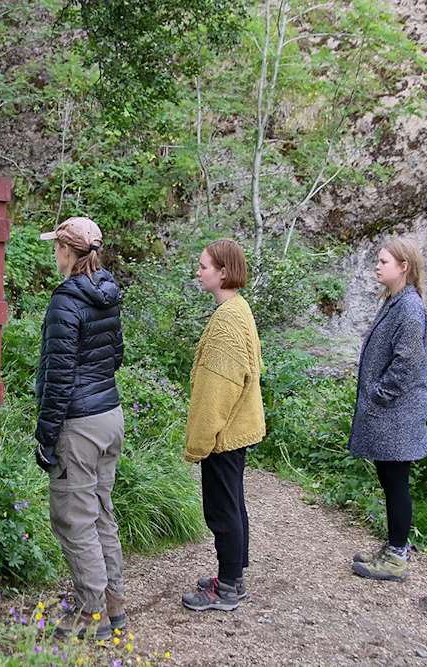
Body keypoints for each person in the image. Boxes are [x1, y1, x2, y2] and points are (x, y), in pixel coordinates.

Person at [34, 216, 126, 640]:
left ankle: (93, 617)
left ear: (68, 253)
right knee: (101, 512)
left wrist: (46, 436)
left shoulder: (65, 301)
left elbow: (58, 377)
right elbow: (116, 356)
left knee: (75, 519)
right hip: (110, 415)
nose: (54, 254)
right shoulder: (108, 293)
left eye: (57, 247)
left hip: (79, 423)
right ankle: (113, 605)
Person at [180, 239, 266, 612]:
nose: (198, 273)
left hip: (224, 434)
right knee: (232, 503)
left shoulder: (227, 322)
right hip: (235, 428)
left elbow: (217, 391)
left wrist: (201, 441)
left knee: (222, 508)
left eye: (203, 267)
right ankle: (233, 576)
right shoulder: (236, 310)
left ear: (223, 272)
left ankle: (228, 586)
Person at [349, 238, 427, 583]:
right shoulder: (395, 302)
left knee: (396, 484)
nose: (377, 266)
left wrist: (379, 396)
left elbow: (407, 364)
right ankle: (393, 547)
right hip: (391, 415)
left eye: (383, 261)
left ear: (404, 266)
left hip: (397, 414)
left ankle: (397, 558)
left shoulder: (410, 308)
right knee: (389, 480)